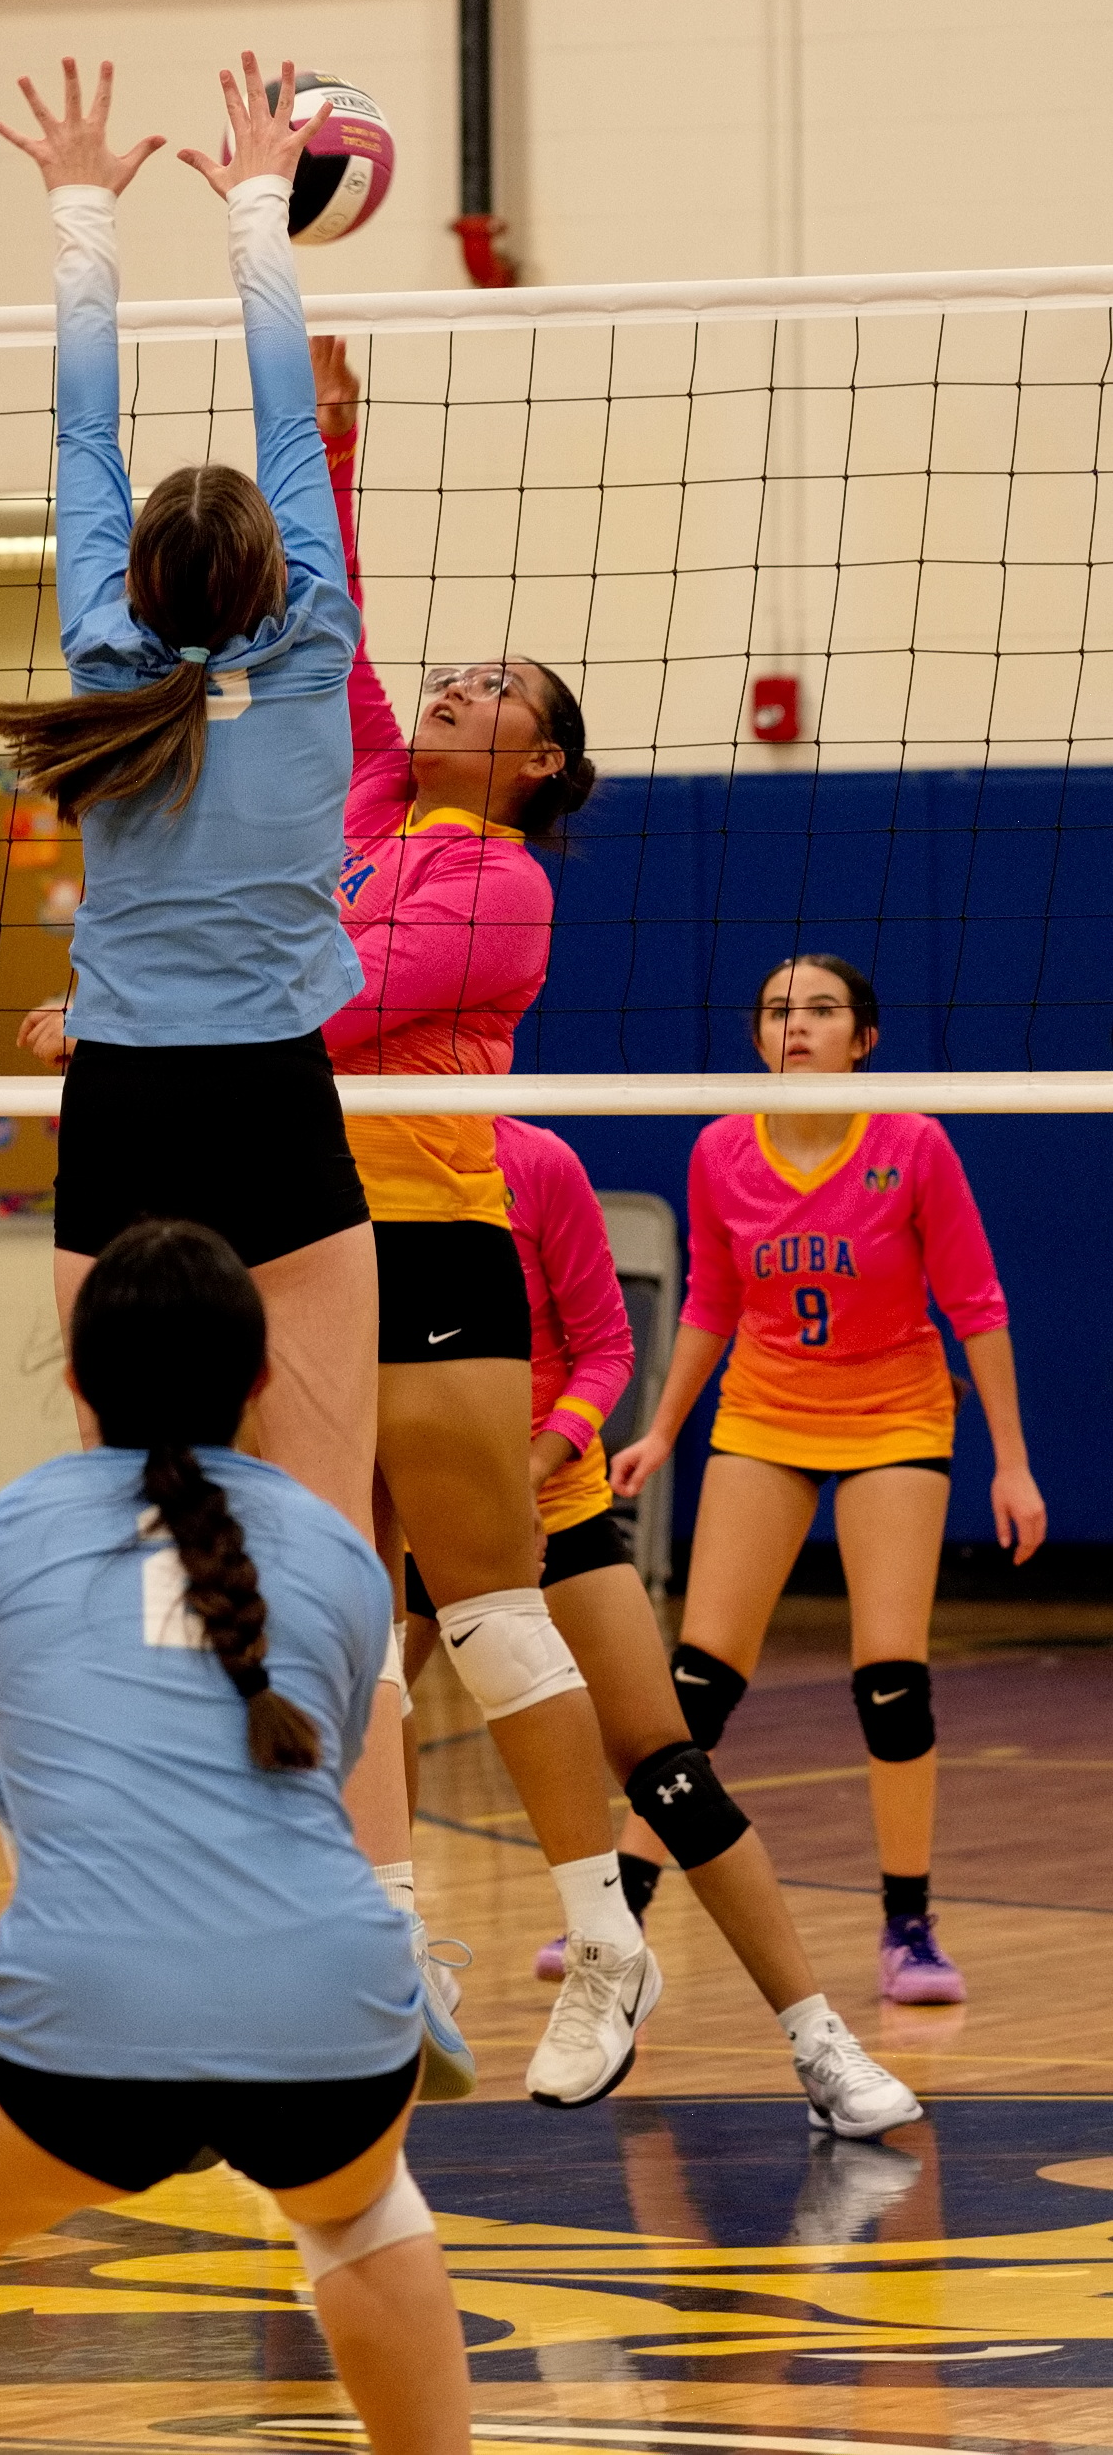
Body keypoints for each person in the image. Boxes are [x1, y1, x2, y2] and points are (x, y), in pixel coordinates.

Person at [0, 58, 434, 2038]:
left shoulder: (102, 662)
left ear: (138, 592)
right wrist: (256, 204)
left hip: (122, 1117)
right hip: (270, 1110)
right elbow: (265, 423)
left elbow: (81, 439)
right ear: (270, 574)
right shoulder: (317, 645)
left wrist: (83, 211)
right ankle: (384, 1943)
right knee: (327, 1531)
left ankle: (133, 1907)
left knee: (117, 1522)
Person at [0, 1219, 468, 2455]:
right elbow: (310, 1787)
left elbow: (19, 1787)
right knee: (361, 2215)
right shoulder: (339, 1552)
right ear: (259, 1379)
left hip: (88, 2016)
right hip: (335, 2008)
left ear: (74, 1376)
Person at [316, 352, 660, 2109]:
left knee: (485, 1610)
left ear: (536, 762)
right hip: (312, 1242)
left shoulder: (499, 884)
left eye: (498, 689)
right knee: (337, 1609)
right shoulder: (376, 807)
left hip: (439, 1243)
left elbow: (333, 1009)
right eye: (461, 672)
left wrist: (141, 1010)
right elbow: (335, 630)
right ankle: (389, 1943)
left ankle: (602, 1934)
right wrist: (325, 441)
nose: (461, 683)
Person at [401, 1115, 922, 2137]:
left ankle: (819, 2039)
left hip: (547, 1507)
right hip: (407, 1513)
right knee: (347, 1732)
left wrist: (531, 1470)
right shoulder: (345, 1160)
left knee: (669, 1773)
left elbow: (605, 1352)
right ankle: (394, 1958)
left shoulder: (535, 1164)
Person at [611, 952, 1046, 2003]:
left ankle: (909, 1928)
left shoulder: (912, 1143)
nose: (795, 1025)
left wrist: (1013, 1464)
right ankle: (620, 1910)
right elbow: (711, 1301)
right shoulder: (721, 1148)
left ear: (865, 1038)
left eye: (819, 1009)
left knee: (890, 1679)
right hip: (766, 1411)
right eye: (776, 1011)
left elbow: (976, 1305)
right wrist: (662, 1430)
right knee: (697, 1680)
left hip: (895, 1413)